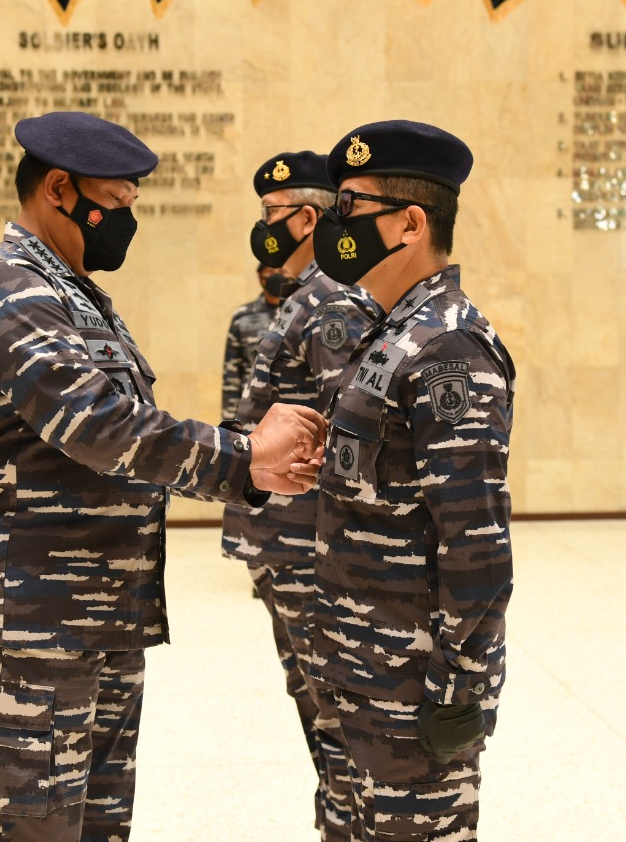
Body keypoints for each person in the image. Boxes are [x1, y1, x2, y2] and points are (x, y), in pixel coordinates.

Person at [0, 111, 326, 841]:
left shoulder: (76, 294)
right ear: (59, 188)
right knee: (30, 823)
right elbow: (100, 426)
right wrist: (246, 459)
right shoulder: (6, 289)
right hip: (31, 625)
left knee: (94, 826)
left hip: (97, 618)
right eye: (115, 206)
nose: (124, 223)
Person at [309, 120, 516, 841]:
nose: (336, 227)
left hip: (412, 688)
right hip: (355, 667)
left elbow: (478, 544)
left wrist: (456, 689)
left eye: (351, 209)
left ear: (409, 223)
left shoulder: (450, 349)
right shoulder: (387, 329)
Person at [222, 150, 379, 841]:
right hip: (286, 544)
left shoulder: (331, 300)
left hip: (309, 549)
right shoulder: (308, 294)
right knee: (322, 714)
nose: (264, 233)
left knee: (336, 722)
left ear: (306, 218)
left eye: (271, 219)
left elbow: (354, 430)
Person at [220, 262, 292, 423]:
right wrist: (229, 423)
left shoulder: (304, 312)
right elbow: (232, 373)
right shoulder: (242, 316)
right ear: (260, 276)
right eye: (270, 270)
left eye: (281, 270)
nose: (276, 274)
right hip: (253, 413)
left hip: (295, 407)